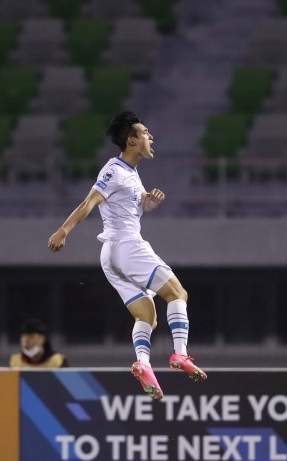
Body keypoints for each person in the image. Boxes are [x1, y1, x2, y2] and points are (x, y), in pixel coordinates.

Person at [47, 111, 207, 400]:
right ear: (131, 140)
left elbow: (132, 204)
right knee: (178, 294)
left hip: (111, 256)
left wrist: (148, 202)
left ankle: (143, 365)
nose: (150, 137)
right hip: (126, 245)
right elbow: (89, 202)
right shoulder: (114, 171)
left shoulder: (130, 172)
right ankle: (180, 355)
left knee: (147, 316)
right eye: (145, 133)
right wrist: (63, 231)